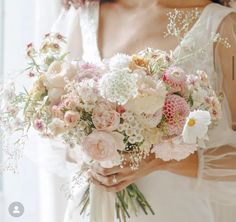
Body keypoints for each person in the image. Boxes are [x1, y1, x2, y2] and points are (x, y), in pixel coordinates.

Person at [51, 0, 236, 221]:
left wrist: (163, 160)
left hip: (173, 211)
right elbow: (54, 118)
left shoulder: (222, 25)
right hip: (90, 207)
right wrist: (92, 149)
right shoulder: (87, 12)